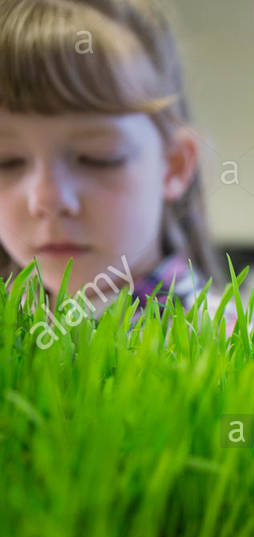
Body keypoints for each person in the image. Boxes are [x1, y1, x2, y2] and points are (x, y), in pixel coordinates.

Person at [0, 0, 220, 319]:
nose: (46, 199)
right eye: (6, 162)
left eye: (97, 159)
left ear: (174, 165)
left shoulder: (226, 341)